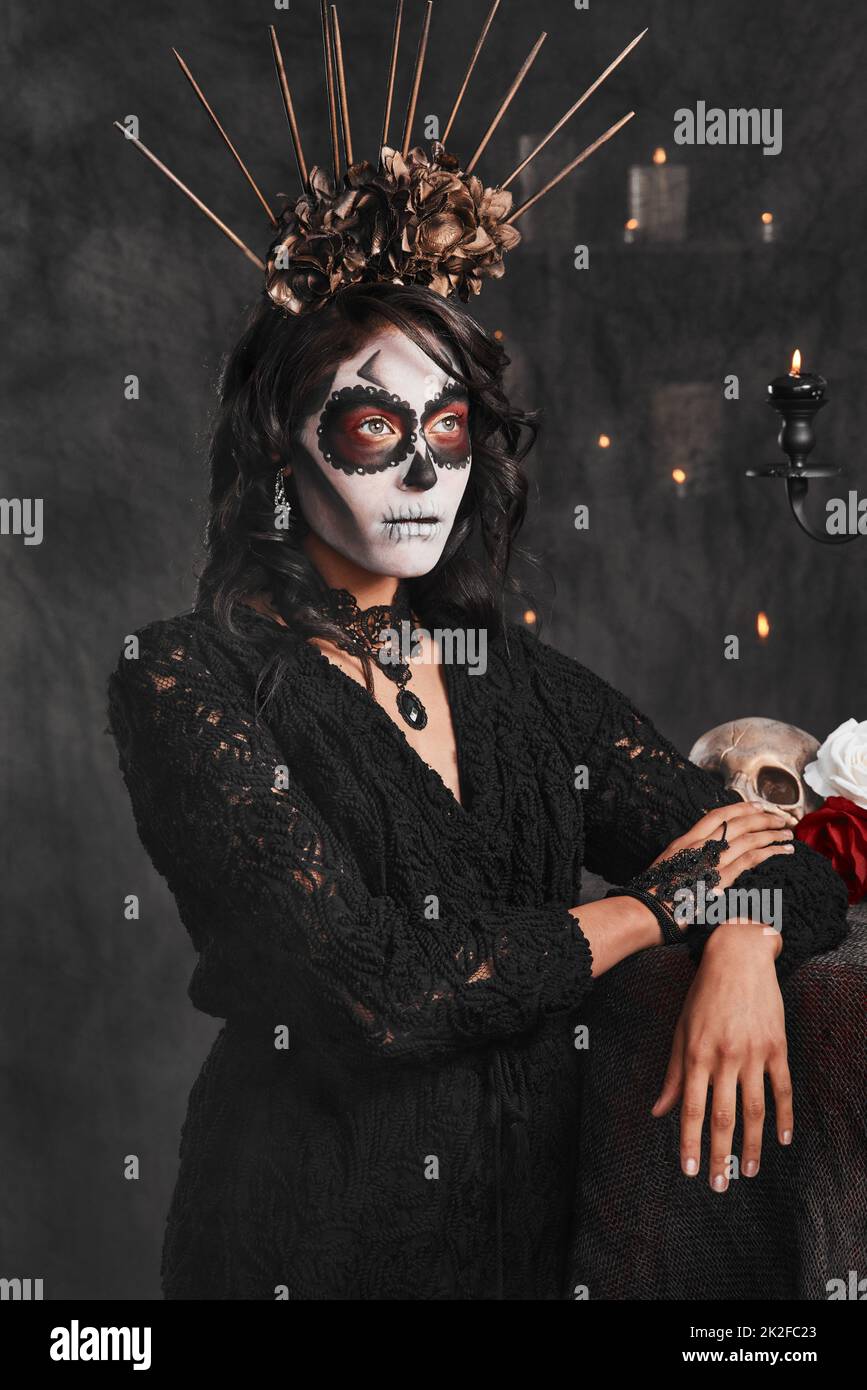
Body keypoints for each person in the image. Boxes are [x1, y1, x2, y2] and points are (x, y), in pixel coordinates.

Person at [106, 281, 849, 1300]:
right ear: (281, 446)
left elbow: (792, 867)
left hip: (533, 1251)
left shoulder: (515, 678)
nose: (424, 471)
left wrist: (743, 940)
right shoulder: (183, 676)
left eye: (449, 427)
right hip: (301, 1246)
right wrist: (656, 907)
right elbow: (382, 992)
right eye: (375, 426)